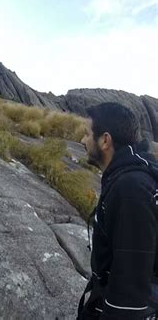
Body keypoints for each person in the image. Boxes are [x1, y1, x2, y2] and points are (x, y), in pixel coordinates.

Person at [77, 102, 158, 320]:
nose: (82, 141)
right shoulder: (128, 174)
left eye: (86, 134)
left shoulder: (131, 188)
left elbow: (130, 292)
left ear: (105, 140)